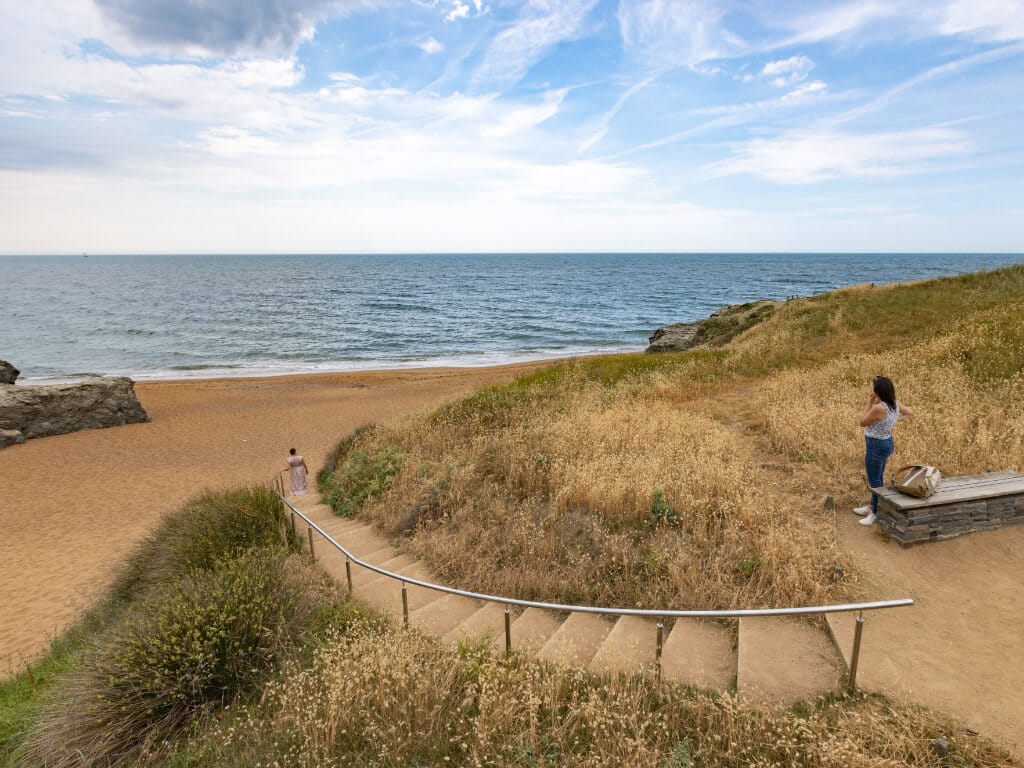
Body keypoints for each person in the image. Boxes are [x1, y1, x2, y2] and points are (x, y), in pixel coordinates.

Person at [854, 375, 913, 526]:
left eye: (873, 387)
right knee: (878, 477)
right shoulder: (894, 403)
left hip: (876, 445)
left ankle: (875, 513)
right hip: (886, 443)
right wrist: (892, 422)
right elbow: (909, 412)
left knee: (875, 480)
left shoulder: (878, 408)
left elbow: (862, 422)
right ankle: (872, 507)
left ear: (878, 390)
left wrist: (869, 401)